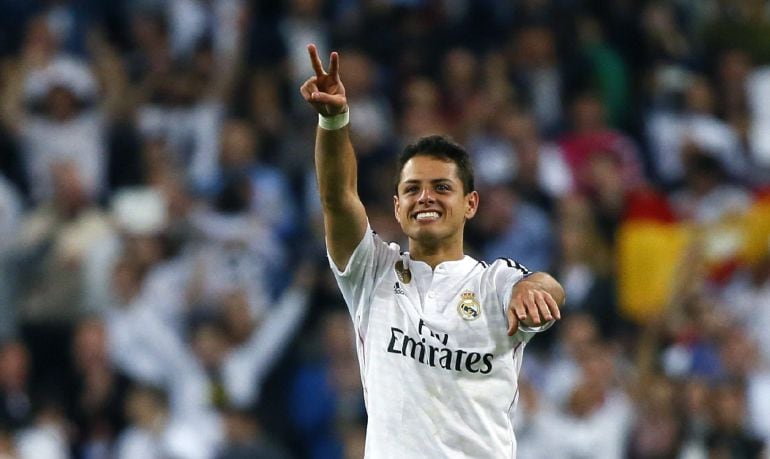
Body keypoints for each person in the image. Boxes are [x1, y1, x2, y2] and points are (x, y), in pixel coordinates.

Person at [300, 44, 565, 458]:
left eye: (442, 187)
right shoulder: (371, 273)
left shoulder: (493, 281)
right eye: (412, 189)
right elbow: (337, 197)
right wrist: (334, 121)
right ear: (396, 207)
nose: (426, 198)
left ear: (470, 204)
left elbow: (543, 284)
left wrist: (534, 290)